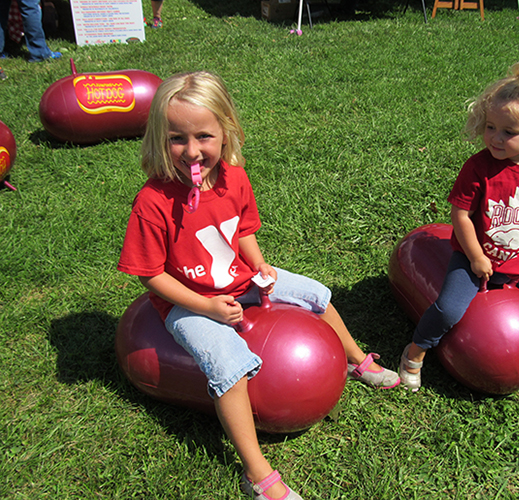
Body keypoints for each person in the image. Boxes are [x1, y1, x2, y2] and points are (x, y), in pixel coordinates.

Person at [118, 71, 399, 500]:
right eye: (177, 138)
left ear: (226, 132)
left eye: (204, 137)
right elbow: (150, 275)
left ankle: (357, 360)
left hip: (240, 278)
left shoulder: (233, 179)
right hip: (188, 303)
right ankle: (257, 472)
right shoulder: (153, 200)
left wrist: (260, 264)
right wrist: (207, 309)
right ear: (159, 137)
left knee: (316, 295)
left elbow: (242, 229)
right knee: (228, 364)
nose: (191, 151)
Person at [400, 47, 519, 392]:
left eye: (509, 132)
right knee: (448, 309)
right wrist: (475, 256)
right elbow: (460, 214)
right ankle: (415, 352)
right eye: (491, 127)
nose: (495, 138)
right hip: (475, 255)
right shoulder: (478, 168)